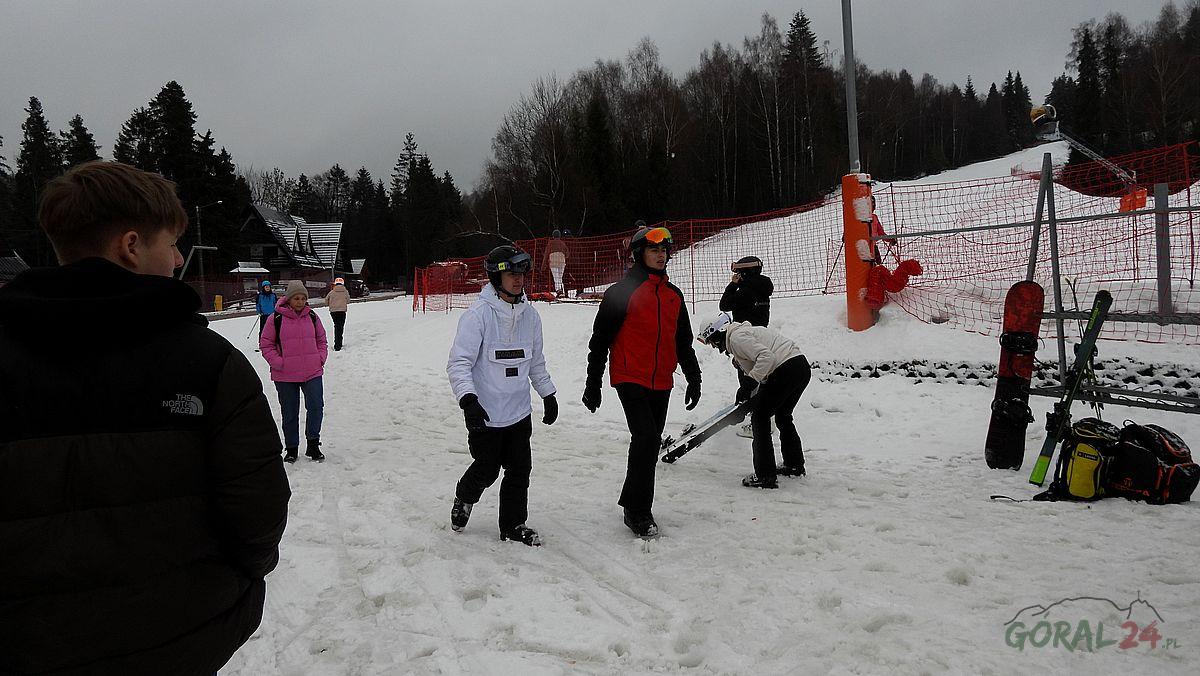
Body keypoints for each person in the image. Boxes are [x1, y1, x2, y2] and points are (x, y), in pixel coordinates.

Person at [0, 160, 290, 675]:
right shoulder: (208, 364)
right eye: (171, 244)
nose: (178, 258)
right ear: (130, 246)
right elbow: (257, 515)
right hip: (177, 636)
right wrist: (234, 585)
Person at [583, 224, 701, 538]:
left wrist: (694, 377)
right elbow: (600, 341)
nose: (660, 255)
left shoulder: (673, 295)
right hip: (629, 376)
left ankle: (634, 504)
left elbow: (683, 341)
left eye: (664, 250)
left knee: (648, 444)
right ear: (639, 254)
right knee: (647, 438)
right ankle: (637, 511)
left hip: (661, 380)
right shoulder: (621, 293)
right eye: (653, 250)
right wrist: (593, 384)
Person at [447, 245, 557, 546]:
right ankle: (464, 496)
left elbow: (535, 361)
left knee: (520, 470)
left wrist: (547, 393)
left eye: (521, 273)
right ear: (496, 277)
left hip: (519, 412)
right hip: (485, 413)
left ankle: (513, 524)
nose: (518, 279)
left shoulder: (530, 316)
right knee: (487, 469)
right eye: (511, 274)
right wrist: (468, 400)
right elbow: (459, 363)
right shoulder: (478, 316)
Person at [697, 312, 811, 489]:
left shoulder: (737, 338)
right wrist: (747, 399)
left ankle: (765, 476)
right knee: (783, 415)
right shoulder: (742, 334)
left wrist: (748, 384)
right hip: (800, 367)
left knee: (760, 418)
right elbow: (764, 367)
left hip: (786, 370)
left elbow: (767, 358)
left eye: (711, 341)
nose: (713, 346)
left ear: (718, 332)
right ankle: (794, 465)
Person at [261, 280, 328, 463]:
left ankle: (313, 444)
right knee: (289, 413)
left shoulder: (312, 316)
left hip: (312, 371)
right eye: (296, 298)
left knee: (316, 407)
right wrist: (278, 362)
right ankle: (291, 448)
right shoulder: (275, 318)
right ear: (288, 299)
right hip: (285, 375)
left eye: (303, 298)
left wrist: (320, 358)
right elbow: (266, 344)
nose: (300, 302)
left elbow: (322, 340)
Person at [719, 255, 773, 438]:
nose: (737, 276)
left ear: (745, 273)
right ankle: (761, 416)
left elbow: (724, 304)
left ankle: (757, 420)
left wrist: (732, 285)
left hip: (744, 337)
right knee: (759, 376)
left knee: (748, 379)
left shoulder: (745, 291)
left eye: (739, 273)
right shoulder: (763, 287)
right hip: (761, 335)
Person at [325, 276, 350, 351]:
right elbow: (348, 301)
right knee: (340, 327)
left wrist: (331, 304)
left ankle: (337, 344)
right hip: (342, 311)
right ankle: (338, 344)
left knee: (336, 326)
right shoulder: (345, 292)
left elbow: (326, 301)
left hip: (333, 312)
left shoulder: (331, 292)